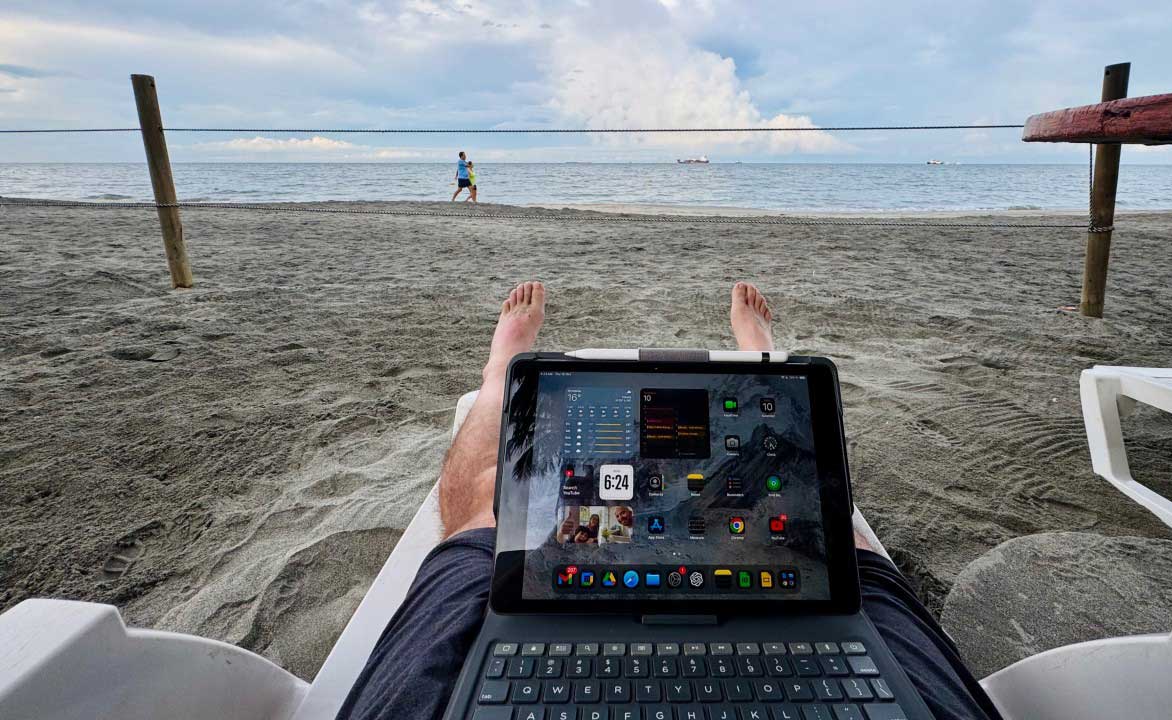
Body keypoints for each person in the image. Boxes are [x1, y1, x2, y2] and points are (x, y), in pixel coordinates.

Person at [336, 281, 1002, 720]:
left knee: (479, 520)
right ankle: (760, 366)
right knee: (842, 548)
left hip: (557, 626)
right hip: (786, 632)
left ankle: (499, 382)